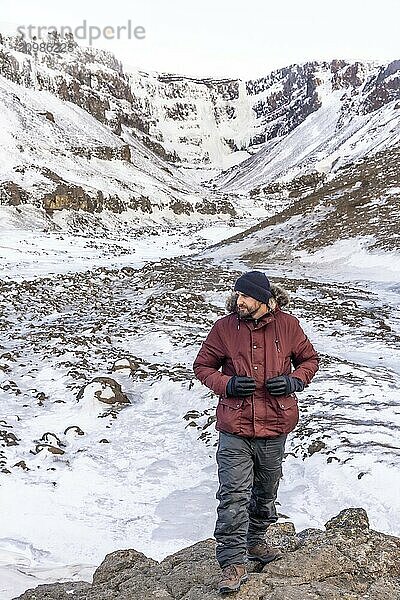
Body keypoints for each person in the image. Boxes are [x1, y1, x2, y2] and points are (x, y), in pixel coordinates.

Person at [193, 271, 319, 593]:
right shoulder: (224, 328)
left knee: (265, 492)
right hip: (235, 427)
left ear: (264, 299)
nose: (239, 301)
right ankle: (232, 563)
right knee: (234, 494)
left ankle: (256, 542)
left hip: (275, 426)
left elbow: (309, 360)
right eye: (237, 295)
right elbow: (202, 367)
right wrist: (227, 384)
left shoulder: (288, 325)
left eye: (245, 296)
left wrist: (295, 381)